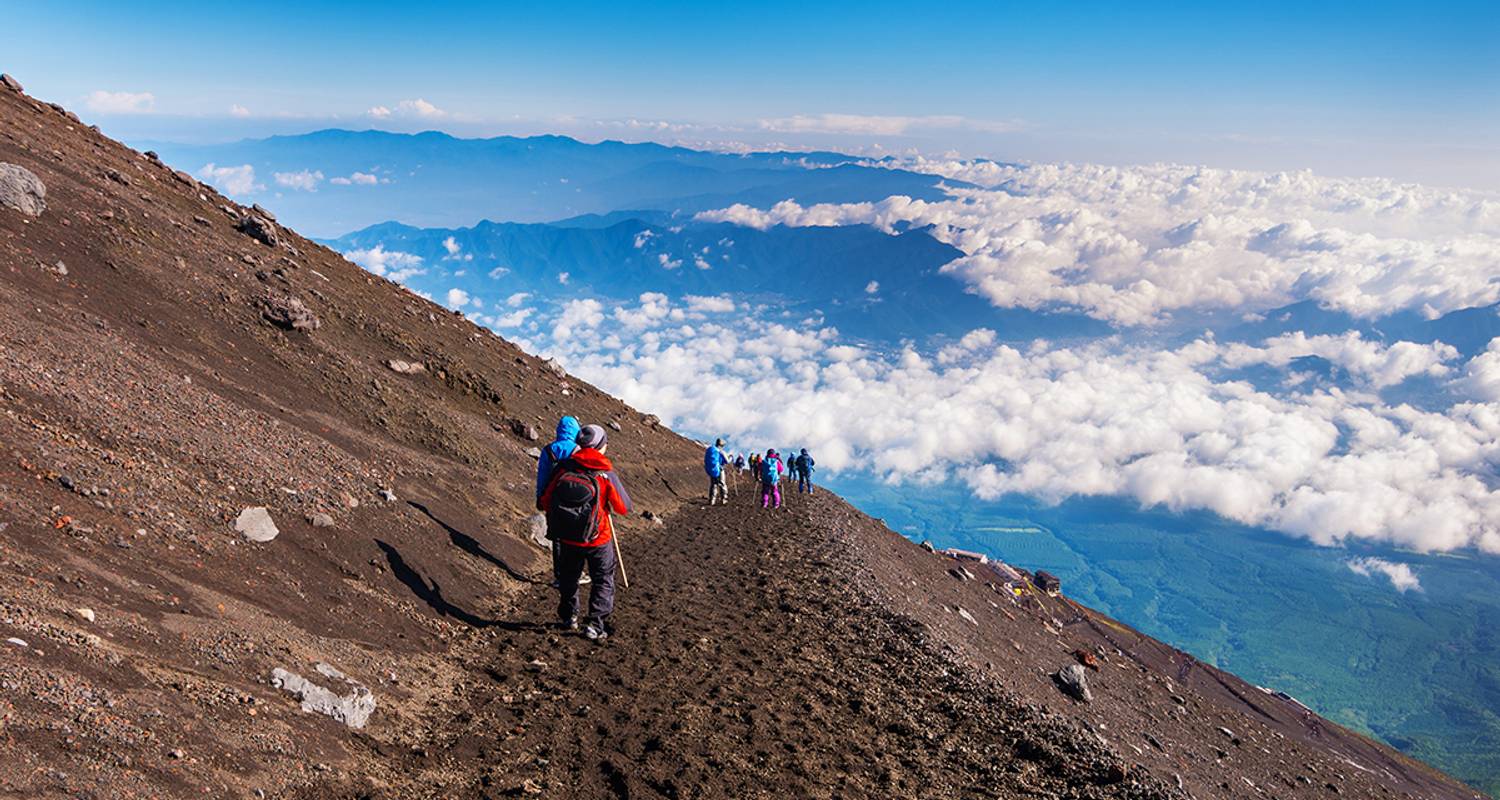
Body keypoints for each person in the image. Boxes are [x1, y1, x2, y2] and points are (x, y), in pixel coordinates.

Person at [539, 424, 631, 640]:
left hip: (569, 537)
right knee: (603, 578)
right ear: (601, 446)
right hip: (599, 537)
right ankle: (595, 625)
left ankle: (569, 616)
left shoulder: (564, 467)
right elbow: (624, 508)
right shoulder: (605, 472)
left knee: (569, 577)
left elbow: (546, 500)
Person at [535, 415, 586, 587]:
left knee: (556, 538)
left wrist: (540, 497)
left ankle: (559, 576)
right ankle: (575, 574)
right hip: (576, 500)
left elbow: (542, 476)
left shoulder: (548, 450)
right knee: (575, 537)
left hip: (553, 499)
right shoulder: (579, 450)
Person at [704, 437, 731, 505]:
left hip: (713, 469)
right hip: (720, 469)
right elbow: (727, 461)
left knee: (713, 484)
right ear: (721, 445)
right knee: (722, 484)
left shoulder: (711, 449)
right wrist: (731, 457)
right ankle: (723, 499)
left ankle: (712, 500)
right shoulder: (721, 452)